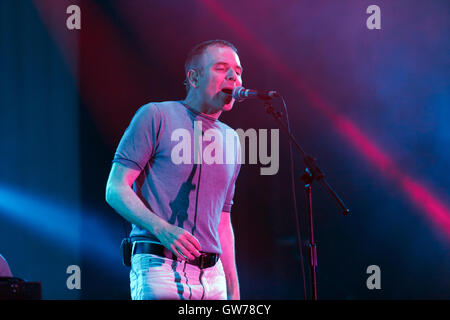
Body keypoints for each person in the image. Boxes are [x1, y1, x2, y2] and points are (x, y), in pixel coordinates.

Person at [106, 39, 243, 300]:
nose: (233, 76)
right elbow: (115, 188)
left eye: (238, 71)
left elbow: (223, 221)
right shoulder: (156, 115)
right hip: (160, 267)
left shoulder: (232, 140)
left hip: (213, 278)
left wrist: (233, 289)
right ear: (194, 77)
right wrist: (161, 228)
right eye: (221, 68)